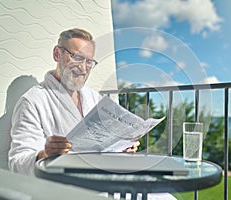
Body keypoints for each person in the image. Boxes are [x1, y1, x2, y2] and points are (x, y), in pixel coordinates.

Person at [8, 28, 139, 175]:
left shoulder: (94, 98)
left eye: (89, 61)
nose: (83, 68)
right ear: (57, 54)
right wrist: (44, 154)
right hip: (64, 185)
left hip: (102, 177)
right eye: (76, 57)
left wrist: (123, 146)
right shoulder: (32, 101)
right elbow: (17, 163)